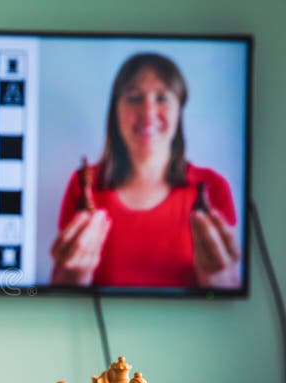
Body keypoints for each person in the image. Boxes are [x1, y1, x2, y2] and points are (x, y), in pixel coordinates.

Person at [51, 52, 241, 289]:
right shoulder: (83, 183)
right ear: (115, 110)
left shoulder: (213, 187)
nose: (148, 112)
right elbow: (61, 294)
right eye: (134, 98)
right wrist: (73, 276)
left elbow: (228, 300)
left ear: (179, 109)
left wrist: (217, 278)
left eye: (162, 98)